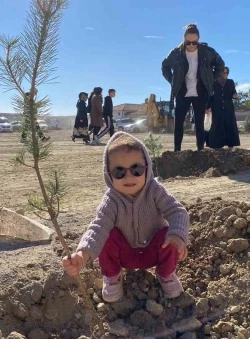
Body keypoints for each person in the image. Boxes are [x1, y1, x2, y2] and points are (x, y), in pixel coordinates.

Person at [62, 132, 189, 302]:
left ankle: (166, 273)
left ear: (147, 168)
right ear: (109, 174)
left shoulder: (155, 190)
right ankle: (113, 277)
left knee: (169, 234)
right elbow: (98, 227)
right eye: (119, 172)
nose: (129, 176)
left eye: (136, 169)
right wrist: (82, 254)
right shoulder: (111, 199)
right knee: (108, 234)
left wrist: (177, 235)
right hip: (125, 256)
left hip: (153, 252)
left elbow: (178, 211)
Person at [162, 24, 225, 152]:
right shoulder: (176, 53)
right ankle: (177, 151)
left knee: (199, 123)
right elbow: (165, 66)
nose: (191, 45)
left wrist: (210, 79)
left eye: (194, 42)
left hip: (201, 92)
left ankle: (200, 151)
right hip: (182, 92)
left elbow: (220, 64)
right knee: (178, 123)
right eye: (188, 42)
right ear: (184, 39)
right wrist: (174, 81)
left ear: (198, 39)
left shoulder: (207, 52)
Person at [207, 67, 240, 150]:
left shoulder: (230, 82)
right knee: (217, 125)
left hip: (228, 107)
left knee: (230, 124)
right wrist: (207, 107)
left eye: (226, 73)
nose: (225, 74)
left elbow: (234, 92)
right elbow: (210, 96)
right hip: (217, 107)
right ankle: (217, 145)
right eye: (223, 73)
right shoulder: (213, 83)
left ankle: (230, 144)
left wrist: (235, 96)